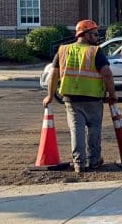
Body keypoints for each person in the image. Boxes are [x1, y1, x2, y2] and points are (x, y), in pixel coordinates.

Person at [42, 20, 117, 173]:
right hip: (93, 98)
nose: (97, 37)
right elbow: (107, 74)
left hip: (71, 98)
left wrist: (50, 96)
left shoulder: (63, 50)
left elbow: (53, 75)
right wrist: (112, 94)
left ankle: (79, 163)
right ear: (85, 34)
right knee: (94, 128)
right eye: (95, 34)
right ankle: (94, 160)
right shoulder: (95, 52)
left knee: (76, 130)